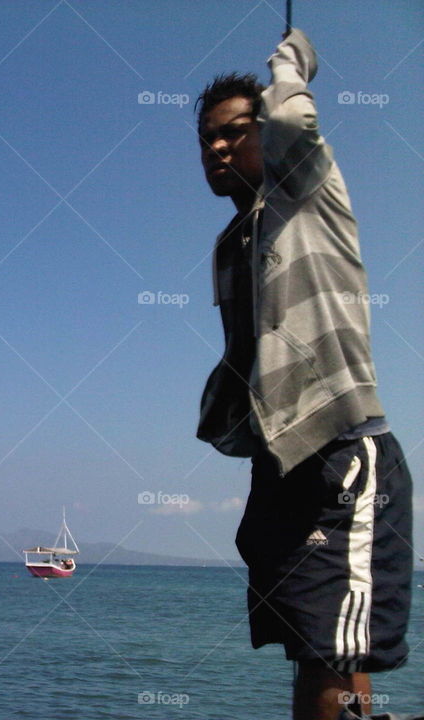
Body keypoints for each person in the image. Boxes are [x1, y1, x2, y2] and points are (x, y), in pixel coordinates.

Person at [194, 28, 414, 720]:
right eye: (207, 140)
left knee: (328, 648)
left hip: (342, 457)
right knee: (316, 648)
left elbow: (292, 118)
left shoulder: (308, 191)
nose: (219, 148)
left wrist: (290, 64)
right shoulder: (233, 243)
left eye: (236, 131)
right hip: (282, 467)